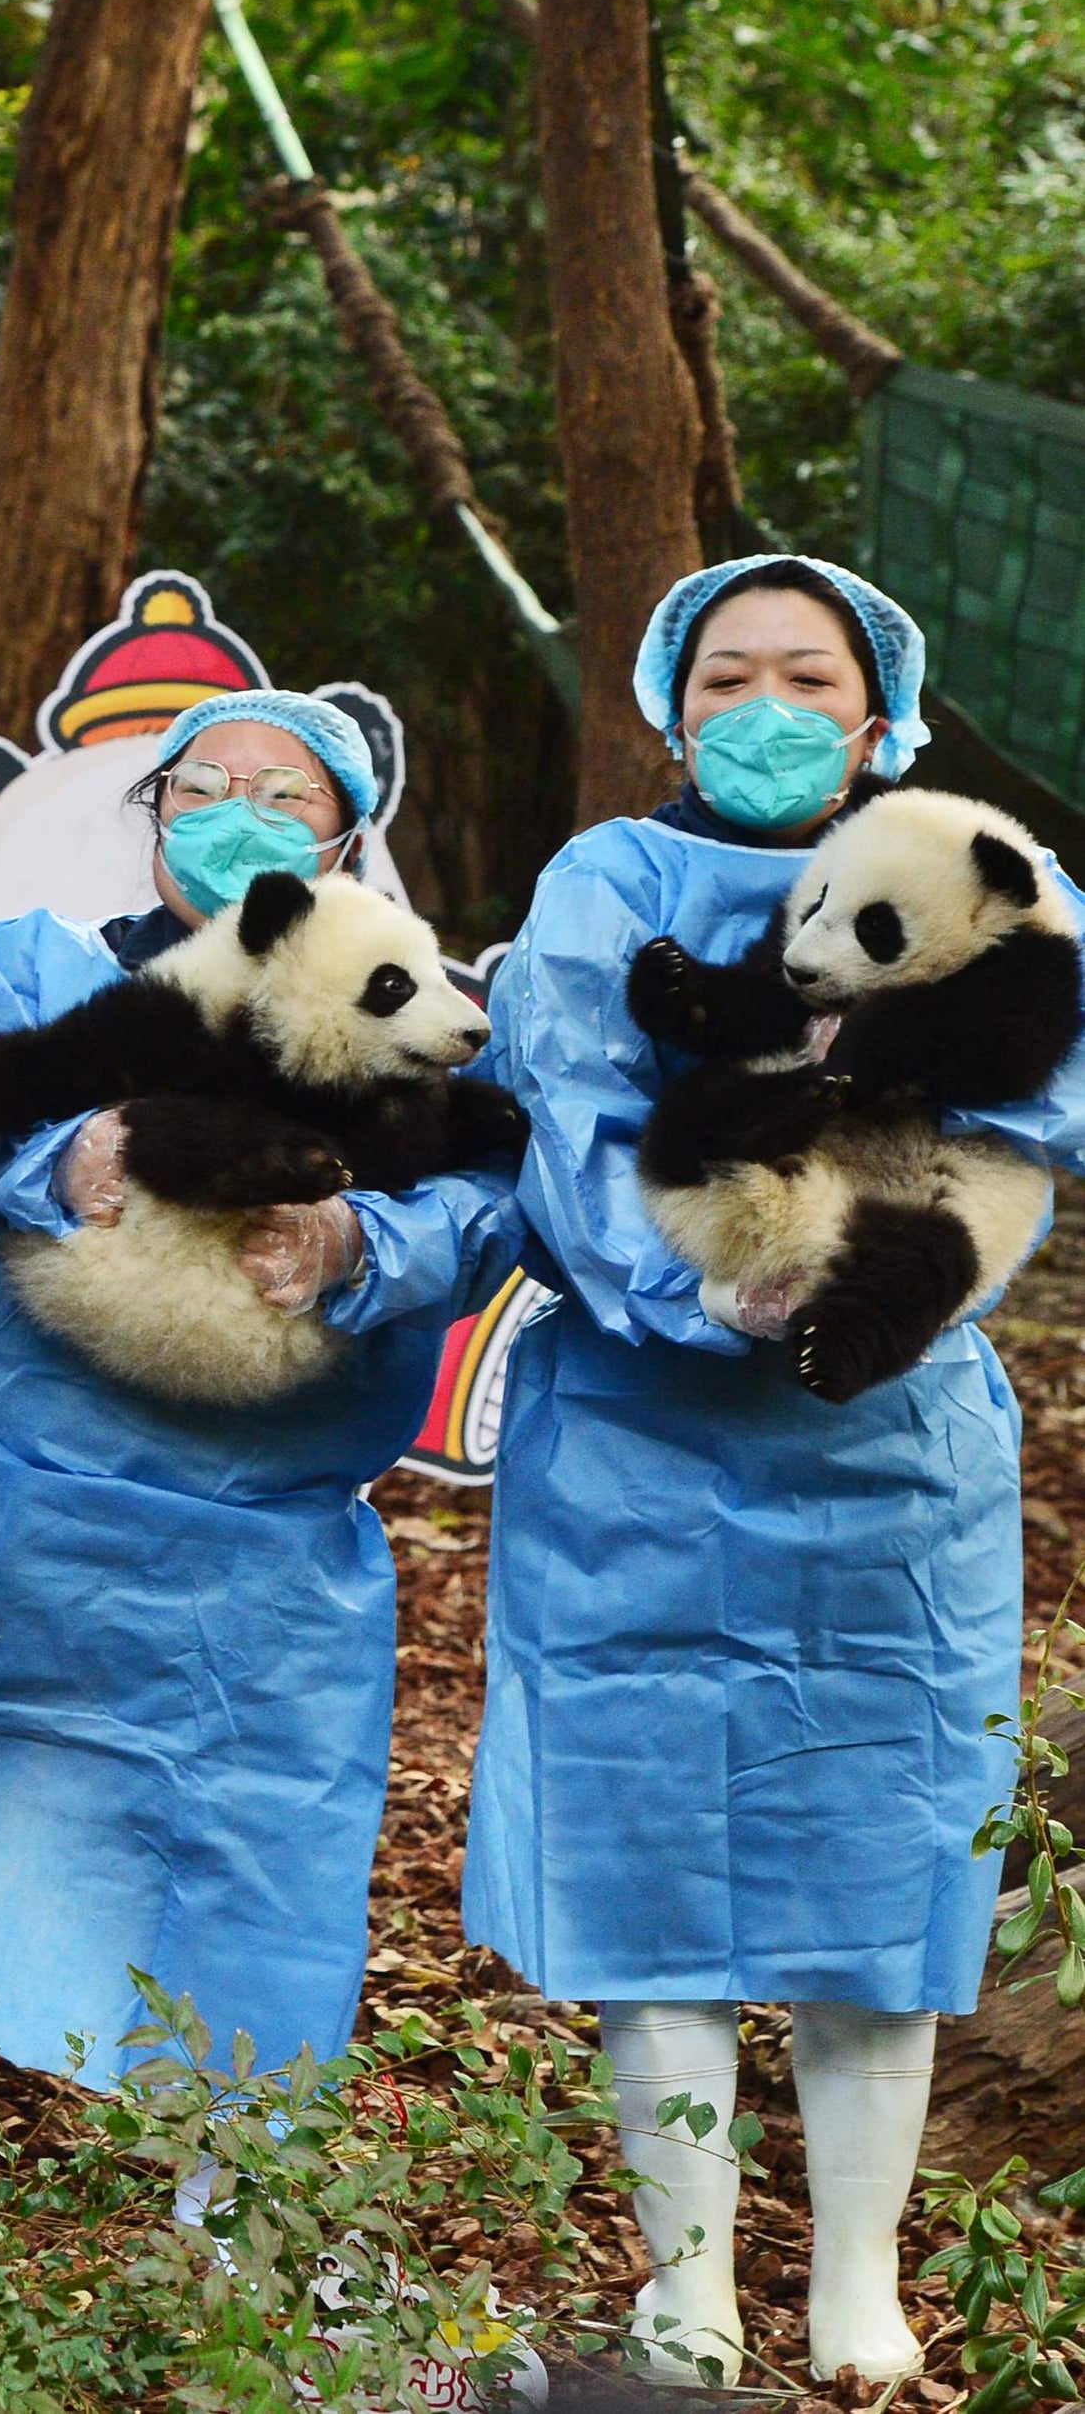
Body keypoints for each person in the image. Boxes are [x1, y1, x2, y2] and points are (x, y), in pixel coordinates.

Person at [469, 556, 1085, 2386]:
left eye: (807, 677)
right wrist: (700, 1288)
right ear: (669, 708)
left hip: (889, 1456)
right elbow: (566, 1112)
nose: (765, 708)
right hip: (638, 1457)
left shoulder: (987, 861)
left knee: (881, 1868)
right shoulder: (616, 882)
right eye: (725, 675)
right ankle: (689, 2283)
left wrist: (865, 1068)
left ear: (879, 709)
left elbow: (1059, 1074)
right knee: (649, 1868)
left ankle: (856, 2278)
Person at [0, 696, 519, 2124]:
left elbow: (489, 1198)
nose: (237, 808)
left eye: (285, 792)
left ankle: (232, 2204)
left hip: (259, 1568)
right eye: (202, 784)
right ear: (154, 814)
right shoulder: (33, 972)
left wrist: (364, 1249)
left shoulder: (398, 997)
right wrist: (58, 1166)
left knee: (247, 1899)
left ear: (348, 835)